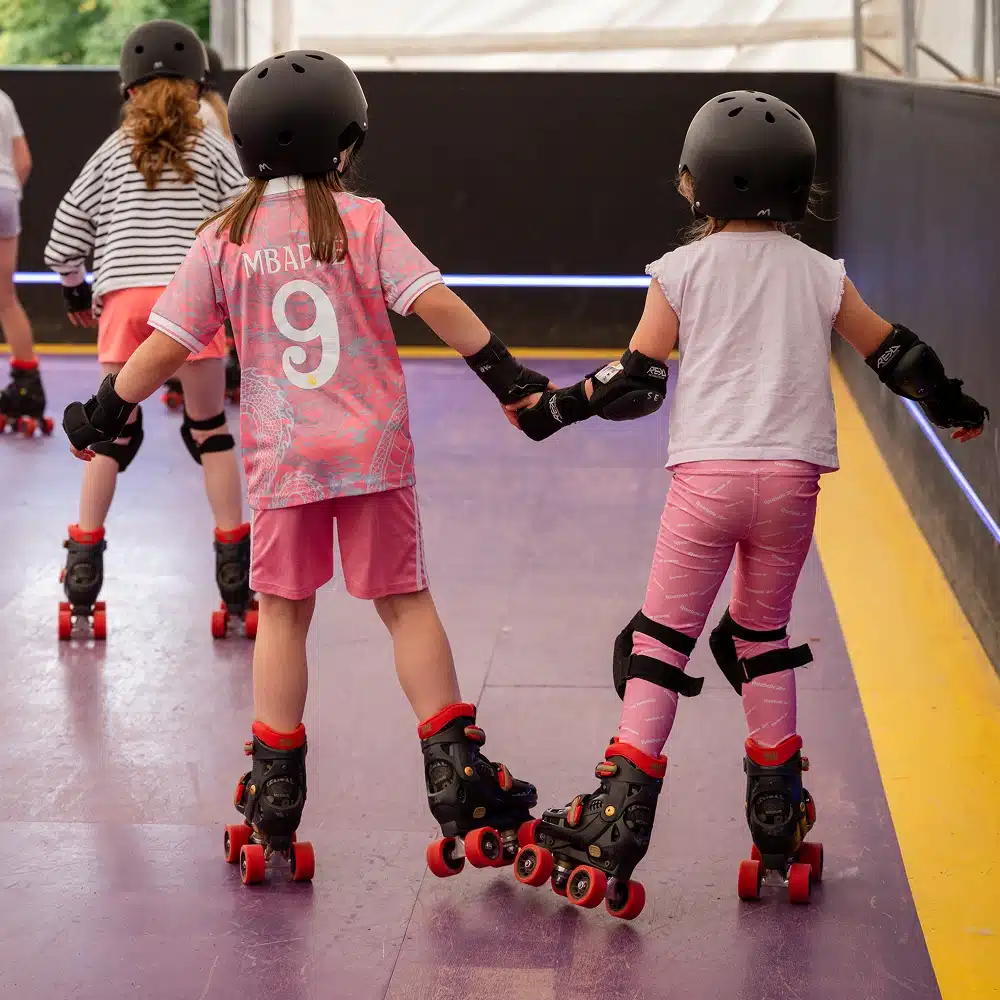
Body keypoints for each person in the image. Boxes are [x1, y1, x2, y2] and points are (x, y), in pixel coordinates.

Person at [61, 50, 552, 884]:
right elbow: (433, 300)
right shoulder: (362, 220)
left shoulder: (225, 235)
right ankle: (458, 777)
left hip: (284, 461)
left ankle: (277, 792)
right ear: (344, 142)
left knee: (283, 618)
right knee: (406, 606)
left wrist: (108, 408)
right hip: (372, 454)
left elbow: (168, 344)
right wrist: (508, 377)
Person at [505, 90, 989, 919]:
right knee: (760, 636)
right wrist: (951, 406)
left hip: (707, 483)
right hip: (793, 484)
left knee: (660, 644)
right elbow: (895, 352)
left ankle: (615, 821)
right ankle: (776, 818)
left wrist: (556, 409)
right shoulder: (822, 274)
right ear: (801, 190)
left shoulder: (682, 269)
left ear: (697, 185)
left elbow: (636, 381)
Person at [44, 20, 249, 641]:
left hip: (127, 307)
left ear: (129, 90)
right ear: (197, 89)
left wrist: (78, 288)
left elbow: (64, 233)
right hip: (191, 308)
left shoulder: (112, 150)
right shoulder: (211, 144)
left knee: (109, 435)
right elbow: (244, 218)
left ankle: (82, 567)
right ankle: (237, 576)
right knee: (209, 432)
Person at [0, 86, 49, 436]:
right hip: (4, 195)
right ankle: (27, 387)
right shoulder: (4, 98)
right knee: (5, 297)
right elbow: (25, 161)